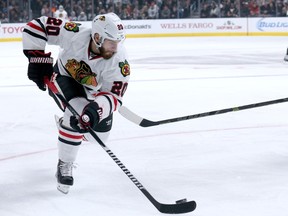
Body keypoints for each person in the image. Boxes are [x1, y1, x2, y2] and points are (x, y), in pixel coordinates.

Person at [22, 13, 130, 194]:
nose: (116, 47)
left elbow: (113, 96)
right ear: (97, 37)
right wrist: (37, 57)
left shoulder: (119, 62)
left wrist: (97, 110)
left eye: (118, 42)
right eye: (111, 42)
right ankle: (65, 163)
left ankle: (67, 127)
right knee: (77, 113)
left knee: (100, 137)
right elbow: (37, 26)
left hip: (93, 91)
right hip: (64, 78)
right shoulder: (74, 33)